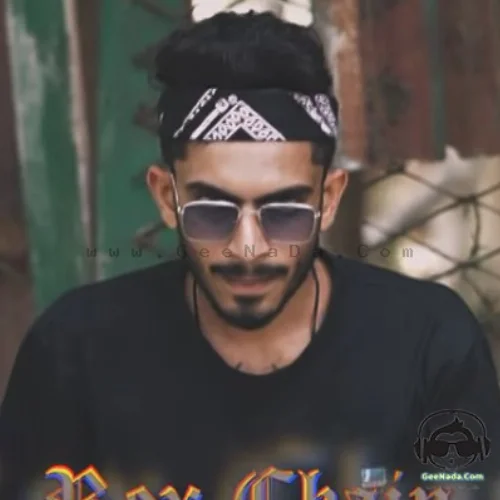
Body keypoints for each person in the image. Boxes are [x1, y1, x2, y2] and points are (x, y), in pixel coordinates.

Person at [1, 10, 500, 500]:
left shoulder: (428, 346)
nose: (247, 247)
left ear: (328, 199)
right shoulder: (75, 352)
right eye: (212, 211)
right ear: (166, 197)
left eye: (283, 211)